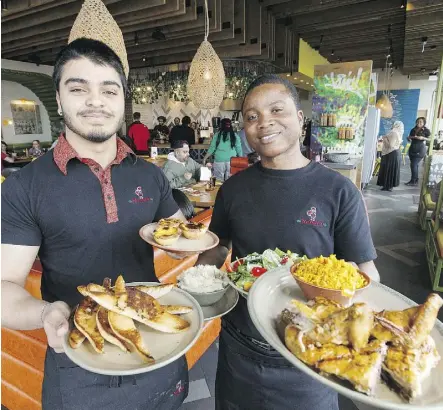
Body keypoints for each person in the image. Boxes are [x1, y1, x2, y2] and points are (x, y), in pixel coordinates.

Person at [1, 2, 189, 409]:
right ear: (59, 98)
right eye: (78, 87)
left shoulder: (149, 175)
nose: (95, 101)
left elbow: (180, 235)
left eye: (109, 89)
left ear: (122, 99)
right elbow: (3, 288)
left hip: (156, 346)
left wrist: (198, 244)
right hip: (77, 356)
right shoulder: (25, 187)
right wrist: (45, 313)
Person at [196, 74, 380, 410]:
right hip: (241, 345)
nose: (264, 123)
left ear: (299, 118)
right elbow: (220, 245)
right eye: (252, 117)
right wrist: (195, 280)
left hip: (308, 351)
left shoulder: (339, 191)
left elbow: (367, 273)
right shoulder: (234, 189)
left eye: (276, 110)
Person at [377, 121, 403, 192]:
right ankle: (389, 186)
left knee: (388, 169)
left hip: (390, 153)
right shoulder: (398, 132)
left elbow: (390, 145)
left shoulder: (393, 132)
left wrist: (384, 138)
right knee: (391, 170)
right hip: (394, 153)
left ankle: (387, 186)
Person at [406, 117, 431, 186]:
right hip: (412, 148)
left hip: (420, 149)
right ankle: (415, 180)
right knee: (414, 165)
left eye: (420, 122)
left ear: (423, 123)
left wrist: (423, 138)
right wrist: (408, 138)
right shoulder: (413, 129)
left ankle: (413, 181)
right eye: (417, 121)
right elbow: (410, 139)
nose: (418, 123)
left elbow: (431, 139)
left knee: (413, 165)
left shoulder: (426, 130)